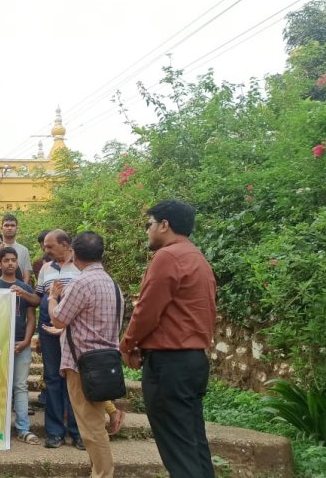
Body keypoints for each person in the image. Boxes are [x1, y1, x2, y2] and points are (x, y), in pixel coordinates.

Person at [119, 200, 217, 478]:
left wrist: (127, 344)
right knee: (193, 443)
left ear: (164, 225)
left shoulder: (168, 257)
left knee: (178, 448)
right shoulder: (198, 258)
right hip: (193, 361)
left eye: (149, 224)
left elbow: (148, 310)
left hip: (169, 364)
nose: (147, 231)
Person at [50, 231, 122, 478]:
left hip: (83, 364)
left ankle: (103, 474)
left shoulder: (81, 283)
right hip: (106, 362)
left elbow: (59, 319)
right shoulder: (112, 284)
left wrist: (52, 299)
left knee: (92, 429)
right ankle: (97, 471)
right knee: (94, 423)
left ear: (74, 254)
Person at [0, 247, 40, 445]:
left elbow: (32, 315)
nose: (10, 263)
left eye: (13, 260)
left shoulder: (25, 287)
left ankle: (23, 428)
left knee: (20, 386)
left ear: (17, 263)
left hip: (20, 343)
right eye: (6, 260)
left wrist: (26, 341)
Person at [36, 229, 83, 450]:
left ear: (65, 245)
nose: (46, 250)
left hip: (75, 332)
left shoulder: (81, 267)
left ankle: (78, 431)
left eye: (50, 246)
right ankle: (54, 432)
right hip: (48, 329)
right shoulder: (45, 269)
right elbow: (39, 298)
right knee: (53, 378)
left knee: (75, 379)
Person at [1, 213, 32, 284]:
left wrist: (22, 290)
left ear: (17, 229)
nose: (9, 228)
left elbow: (26, 275)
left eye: (12, 225)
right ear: (1, 228)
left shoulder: (24, 250)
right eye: (6, 225)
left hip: (18, 290)